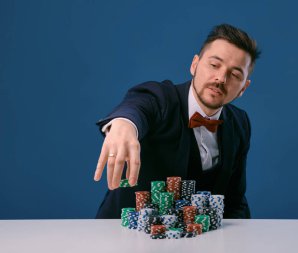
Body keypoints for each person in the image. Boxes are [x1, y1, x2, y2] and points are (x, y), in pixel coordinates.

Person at [93, 23, 260, 219]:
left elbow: (235, 202)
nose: (221, 78)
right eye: (214, 65)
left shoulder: (240, 123)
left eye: (235, 74)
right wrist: (125, 123)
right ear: (194, 65)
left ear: (243, 88)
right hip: (124, 234)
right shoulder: (161, 98)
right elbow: (137, 106)